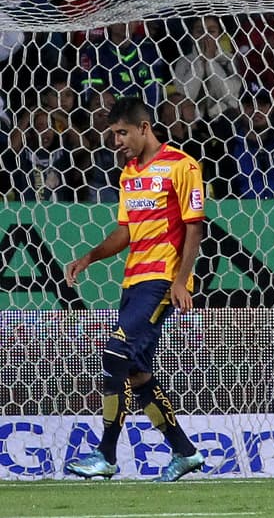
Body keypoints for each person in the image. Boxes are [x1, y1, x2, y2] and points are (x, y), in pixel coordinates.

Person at [62, 97, 207, 482]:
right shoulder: (129, 174)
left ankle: (105, 455)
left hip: (162, 281)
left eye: (122, 132)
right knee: (137, 371)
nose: (117, 141)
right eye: (113, 134)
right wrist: (89, 257)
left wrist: (180, 280)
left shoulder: (182, 165)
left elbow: (195, 227)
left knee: (114, 352)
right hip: (133, 281)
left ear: (145, 128)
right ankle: (184, 452)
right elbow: (126, 232)